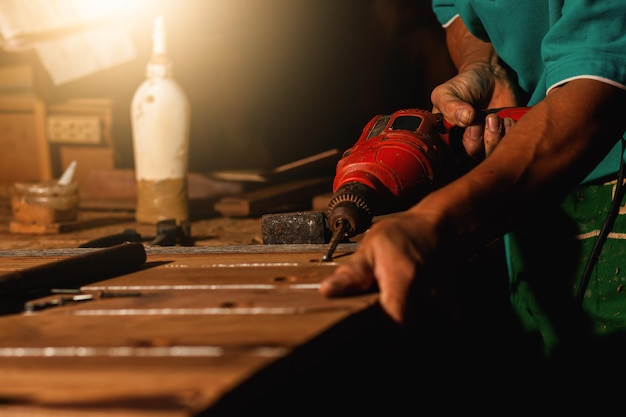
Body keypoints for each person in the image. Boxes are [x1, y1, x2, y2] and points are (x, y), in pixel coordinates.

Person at [319, 0, 626, 388]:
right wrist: (485, 65)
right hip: (521, 189)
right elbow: (461, 15)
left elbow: (601, 83)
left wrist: (435, 222)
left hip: (613, 188)